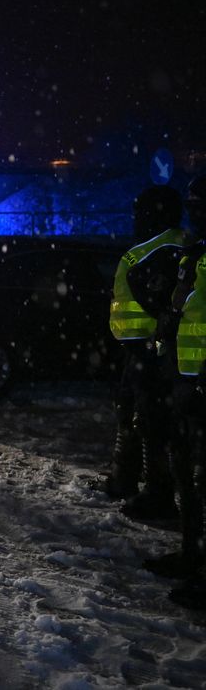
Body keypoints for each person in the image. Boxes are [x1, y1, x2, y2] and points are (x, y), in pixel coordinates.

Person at [107, 186, 184, 513]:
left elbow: (168, 304)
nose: (136, 217)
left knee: (151, 422)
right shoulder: (155, 247)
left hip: (155, 352)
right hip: (140, 349)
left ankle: (158, 492)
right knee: (130, 412)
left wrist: (157, 342)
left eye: (142, 210)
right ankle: (125, 478)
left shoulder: (166, 249)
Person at [156, 176, 206, 608]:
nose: (194, 209)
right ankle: (192, 559)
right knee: (188, 478)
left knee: (200, 480)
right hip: (187, 384)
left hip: (200, 385)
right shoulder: (196, 252)